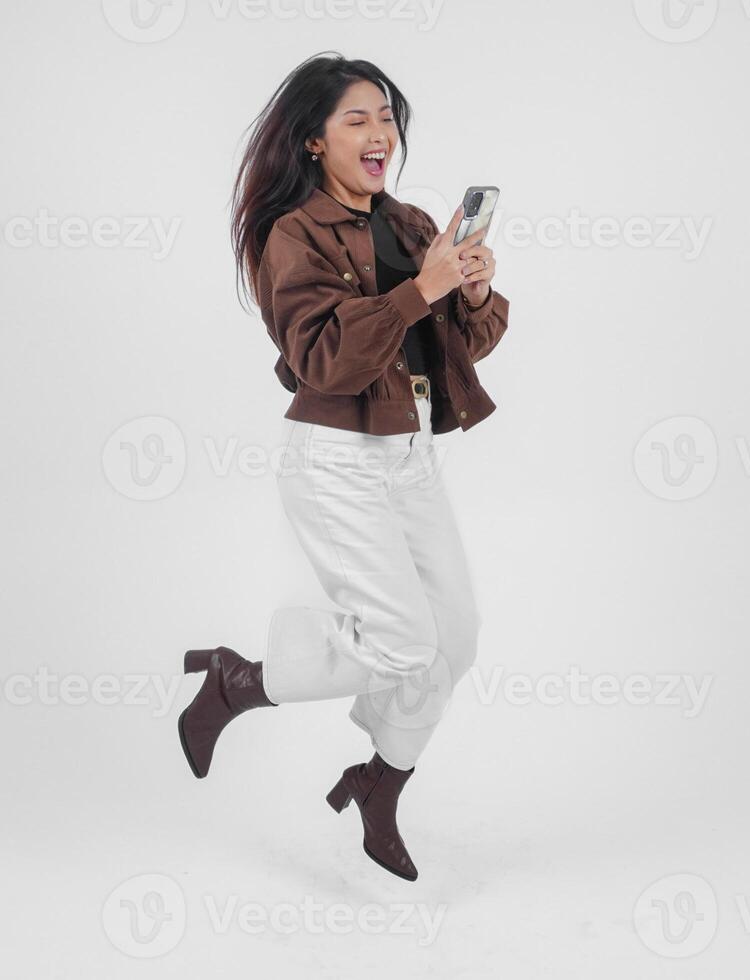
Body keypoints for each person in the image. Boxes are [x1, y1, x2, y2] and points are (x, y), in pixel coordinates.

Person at [176, 52, 510, 882]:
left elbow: (465, 347)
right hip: (337, 460)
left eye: (387, 117)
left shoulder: (407, 223)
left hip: (409, 455)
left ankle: (379, 784)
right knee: (404, 641)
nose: (378, 134)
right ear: (315, 141)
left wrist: (466, 292)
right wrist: (416, 293)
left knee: (454, 639)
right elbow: (324, 360)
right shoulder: (293, 237)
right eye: (357, 118)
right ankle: (240, 681)